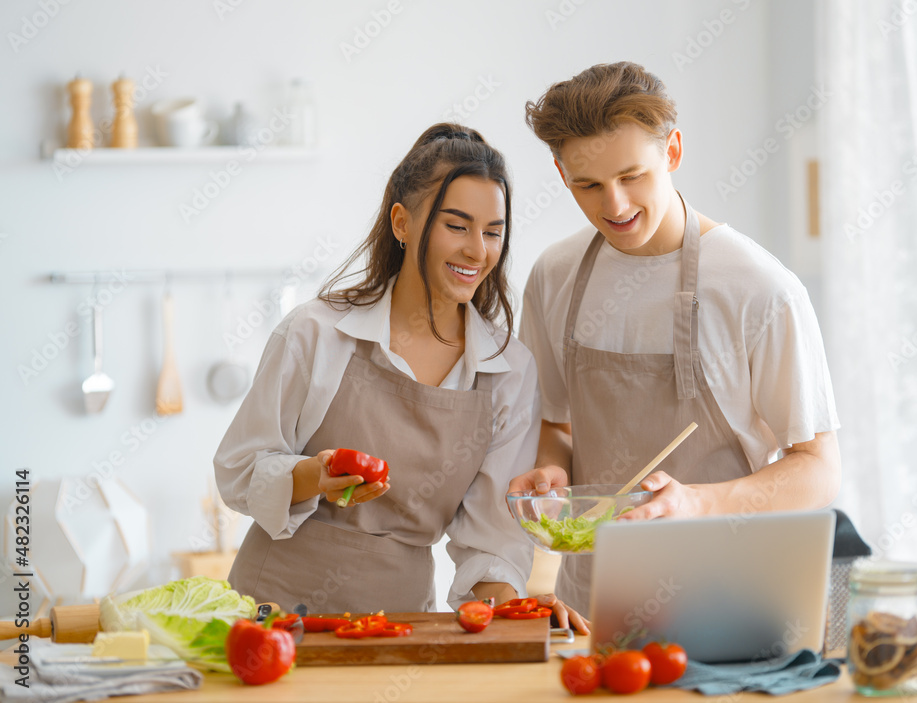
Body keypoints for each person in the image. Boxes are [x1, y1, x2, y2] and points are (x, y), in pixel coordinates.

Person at [215, 123, 584, 630]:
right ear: (403, 223)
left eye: (493, 232)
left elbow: (491, 541)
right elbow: (237, 472)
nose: (478, 251)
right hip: (271, 616)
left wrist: (512, 610)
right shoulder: (317, 333)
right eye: (456, 226)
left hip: (400, 625)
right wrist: (312, 477)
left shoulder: (509, 371)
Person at [510, 62, 842, 616]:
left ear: (673, 152)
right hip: (590, 604)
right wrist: (552, 474)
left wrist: (695, 503)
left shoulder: (760, 288)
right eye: (588, 184)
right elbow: (556, 424)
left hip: (732, 599)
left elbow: (819, 469)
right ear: (561, 172)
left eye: (632, 176)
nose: (613, 205)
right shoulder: (555, 274)